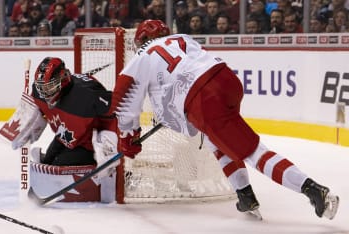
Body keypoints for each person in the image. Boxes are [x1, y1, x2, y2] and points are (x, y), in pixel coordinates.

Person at [108, 19, 340, 220]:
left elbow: (123, 97)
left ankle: (313, 189)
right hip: (226, 80)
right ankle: (245, 195)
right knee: (215, 139)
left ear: (142, 39)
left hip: (203, 99)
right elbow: (182, 75)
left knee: (253, 152)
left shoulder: (141, 55)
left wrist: (128, 137)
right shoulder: (182, 38)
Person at [29, 57, 118, 167]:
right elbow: (62, 137)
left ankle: (117, 173)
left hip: (91, 142)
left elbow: (117, 105)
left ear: (63, 79)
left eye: (49, 87)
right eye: (41, 88)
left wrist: (113, 142)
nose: (45, 93)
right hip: (69, 135)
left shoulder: (85, 96)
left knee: (60, 164)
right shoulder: (39, 93)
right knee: (50, 161)